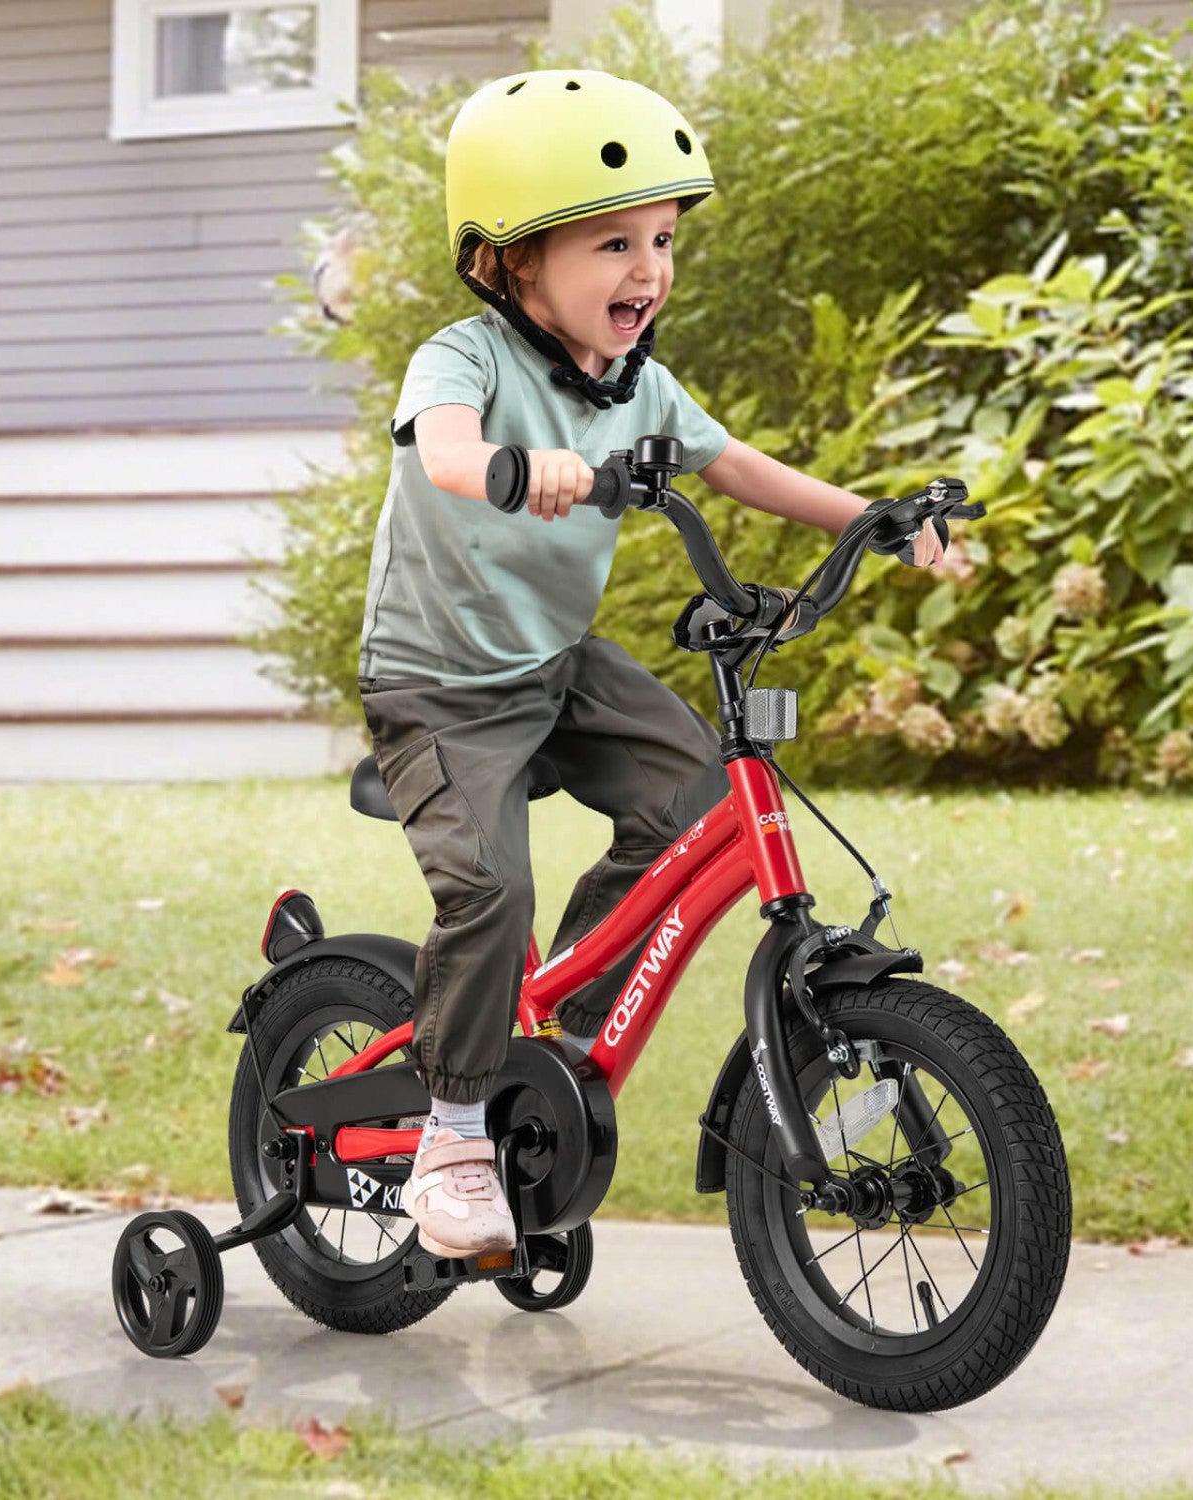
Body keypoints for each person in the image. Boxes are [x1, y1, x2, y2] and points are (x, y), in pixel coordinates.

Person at [323, 69, 944, 1260]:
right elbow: (444, 449)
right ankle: (453, 1136)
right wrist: (514, 468)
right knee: (487, 890)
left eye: (661, 241)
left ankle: (555, 1025)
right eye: (613, 243)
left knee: (701, 800)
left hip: (557, 663)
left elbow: (734, 465)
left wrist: (874, 518)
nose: (647, 270)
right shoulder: (464, 359)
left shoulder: (640, 383)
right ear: (513, 260)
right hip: (441, 684)